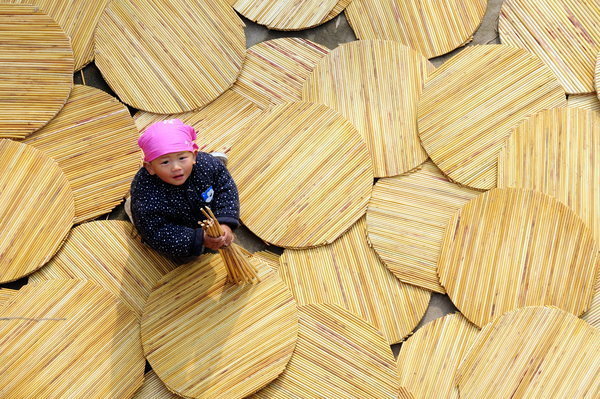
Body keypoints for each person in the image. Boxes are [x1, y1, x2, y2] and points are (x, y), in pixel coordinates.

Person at [129, 119, 239, 260]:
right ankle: (131, 209)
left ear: (194, 156)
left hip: (205, 209)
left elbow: (225, 189)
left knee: (215, 172)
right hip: (179, 224)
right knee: (183, 258)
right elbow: (158, 232)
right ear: (150, 167)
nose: (176, 167)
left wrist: (225, 224)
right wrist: (199, 238)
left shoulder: (205, 165)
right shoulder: (146, 192)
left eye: (182, 158)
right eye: (165, 162)